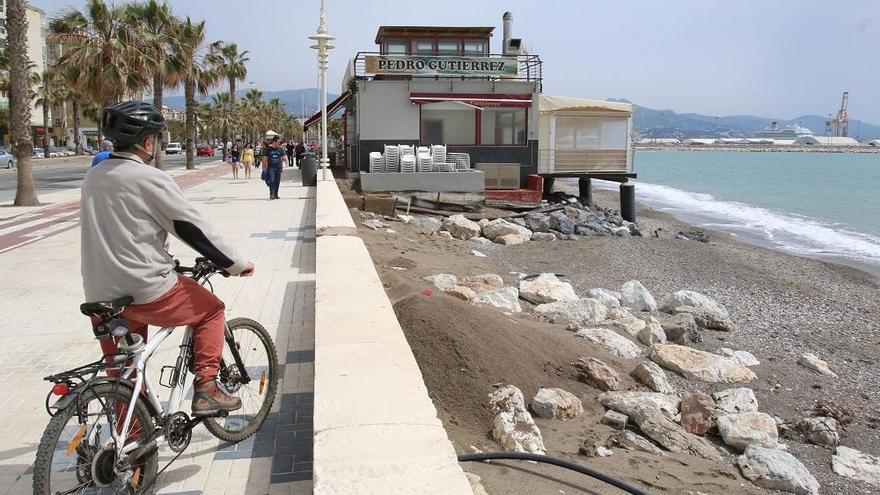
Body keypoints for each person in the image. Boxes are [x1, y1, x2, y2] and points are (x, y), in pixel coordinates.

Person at [81, 101, 254, 416]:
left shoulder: (94, 177)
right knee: (211, 311)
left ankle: (130, 457)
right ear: (148, 142)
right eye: (157, 139)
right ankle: (207, 388)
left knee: (124, 377)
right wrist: (235, 263)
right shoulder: (148, 178)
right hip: (145, 288)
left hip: (100, 293)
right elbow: (189, 227)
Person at [261, 136, 288, 200]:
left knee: (277, 181)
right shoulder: (268, 149)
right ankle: (272, 194)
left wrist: (286, 162)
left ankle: (276, 194)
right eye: (278, 142)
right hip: (271, 168)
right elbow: (264, 159)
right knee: (272, 180)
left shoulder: (280, 149)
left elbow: (284, 156)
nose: (279, 143)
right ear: (274, 142)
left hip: (278, 168)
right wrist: (264, 167)